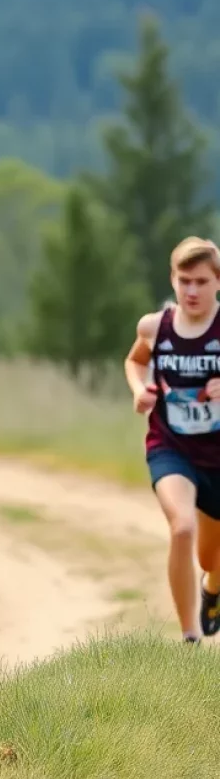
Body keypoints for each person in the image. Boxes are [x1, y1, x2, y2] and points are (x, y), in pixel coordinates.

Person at [125, 236, 220, 643]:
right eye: (184, 281)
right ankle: (189, 636)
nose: (192, 291)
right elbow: (135, 360)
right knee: (182, 528)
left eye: (201, 281)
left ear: (217, 281)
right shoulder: (154, 326)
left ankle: (212, 588)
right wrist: (138, 389)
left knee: (209, 556)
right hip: (171, 446)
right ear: (173, 279)